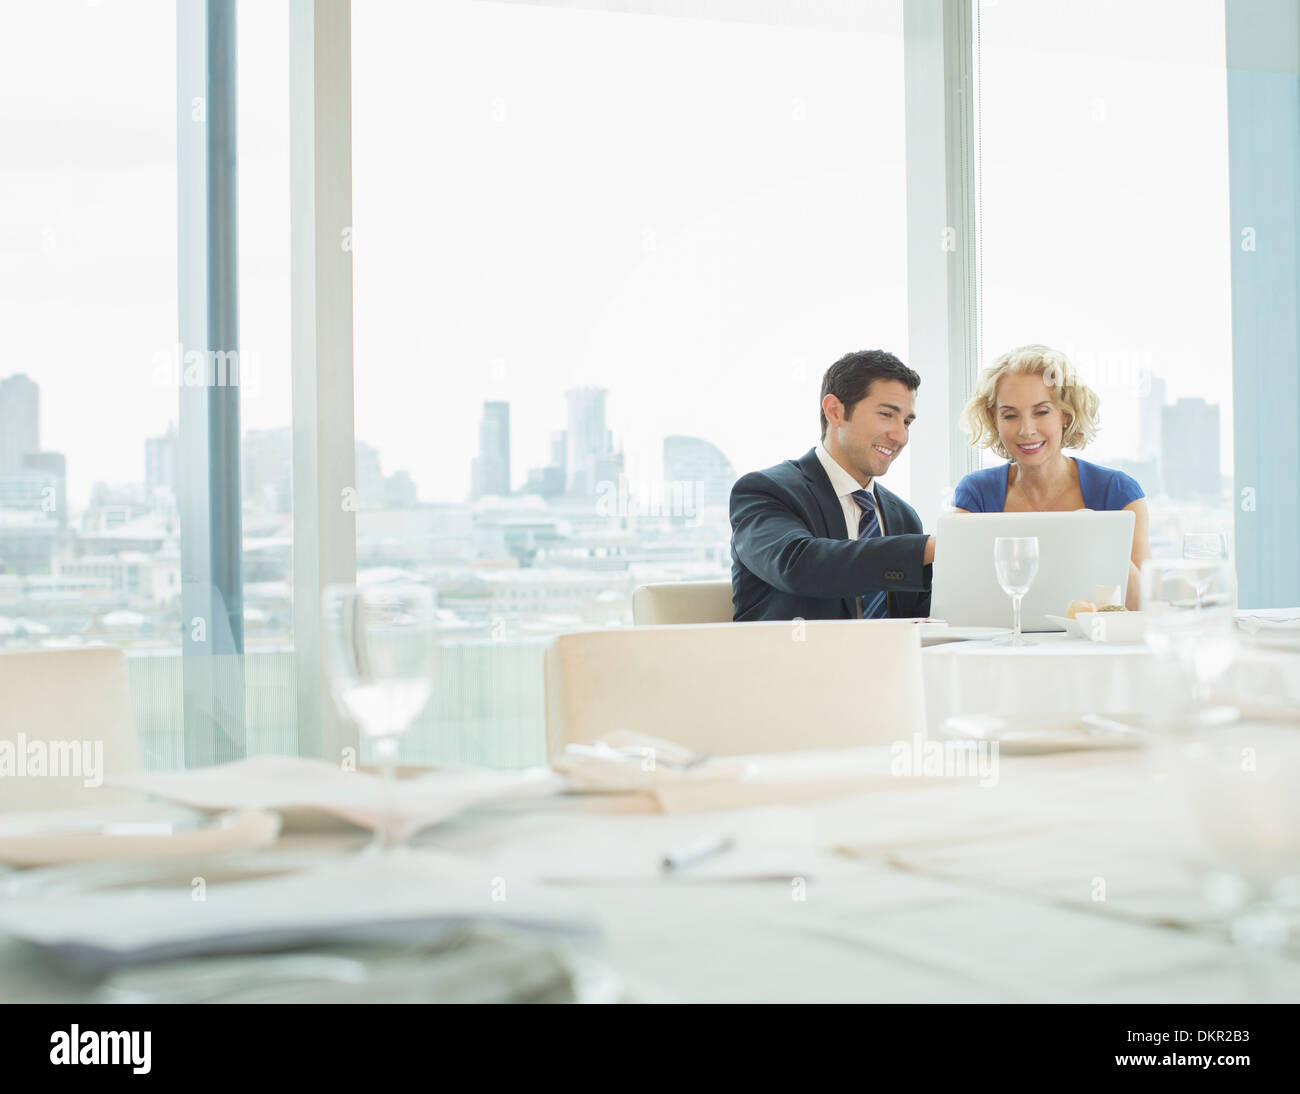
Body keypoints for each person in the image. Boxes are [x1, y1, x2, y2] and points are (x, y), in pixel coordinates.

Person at [730, 349, 935, 621]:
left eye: (907, 421)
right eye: (887, 414)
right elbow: (798, 566)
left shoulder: (904, 517)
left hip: (890, 662)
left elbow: (920, 622)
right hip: (793, 660)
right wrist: (925, 550)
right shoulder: (765, 491)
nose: (900, 435)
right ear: (835, 412)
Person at [953, 344, 1151, 609]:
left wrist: (1103, 539)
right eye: (1010, 415)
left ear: (1065, 415)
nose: (1026, 430)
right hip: (1005, 647)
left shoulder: (1116, 491)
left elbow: (1145, 605)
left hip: (1093, 648)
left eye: (1042, 412)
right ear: (994, 420)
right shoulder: (976, 493)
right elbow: (961, 598)